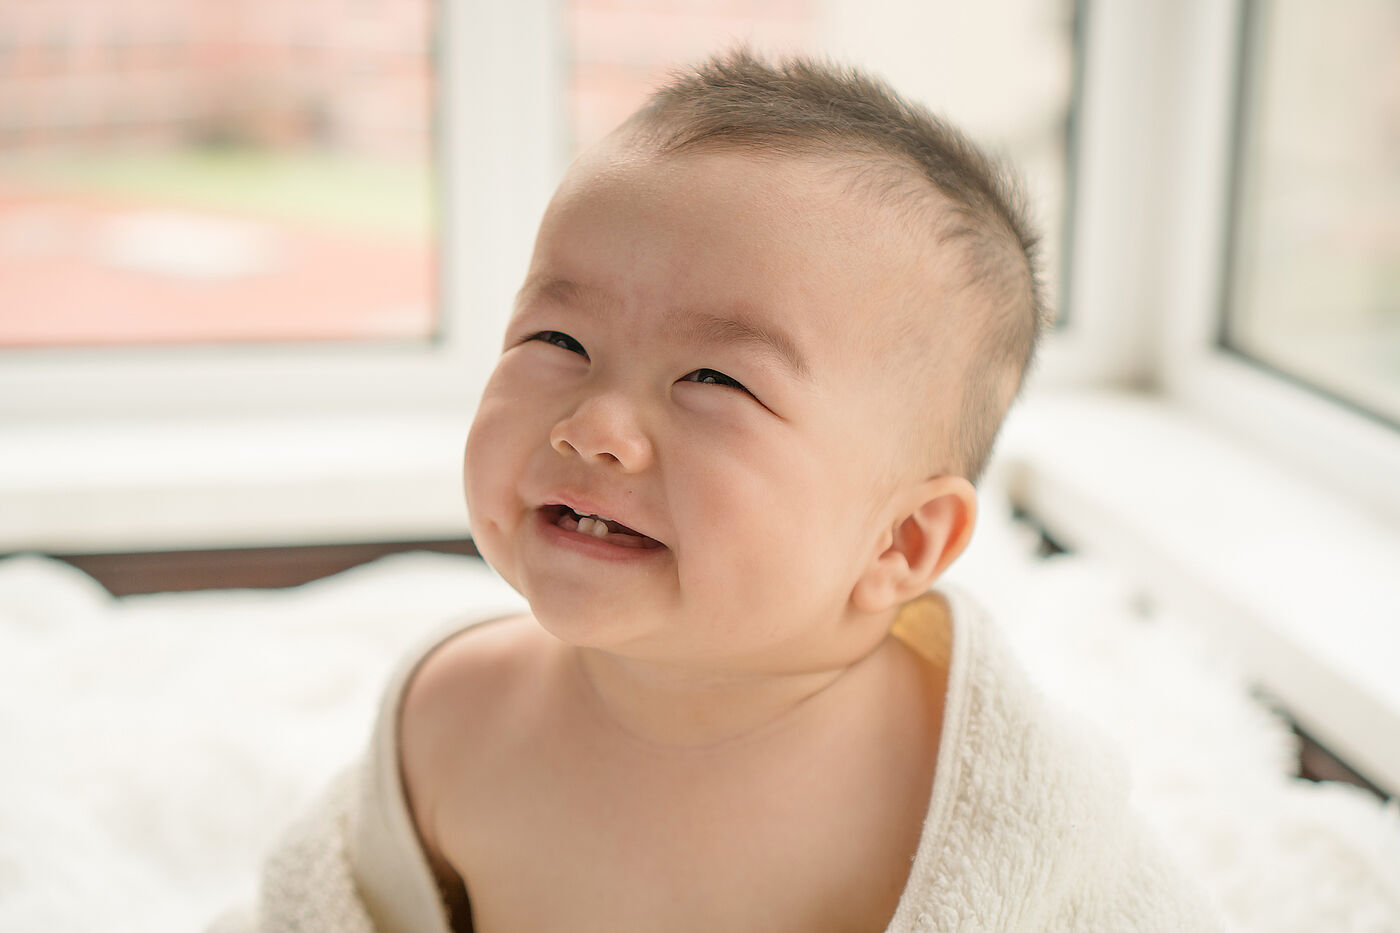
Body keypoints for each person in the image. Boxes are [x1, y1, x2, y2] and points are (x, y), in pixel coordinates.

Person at [215, 49, 1224, 933]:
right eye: (557, 340)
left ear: (900, 544)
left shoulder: (968, 801)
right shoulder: (450, 720)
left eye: (714, 381)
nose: (593, 427)